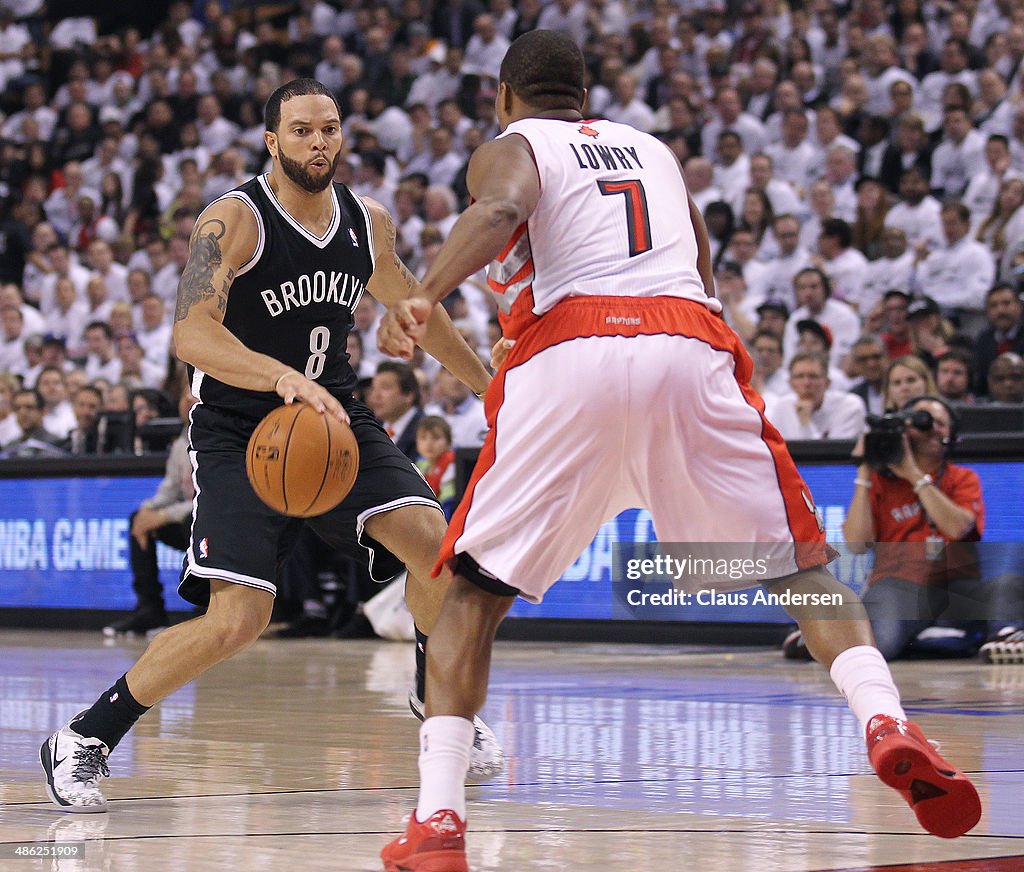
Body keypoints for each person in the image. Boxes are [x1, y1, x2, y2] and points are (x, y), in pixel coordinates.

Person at [376, 32, 981, 870]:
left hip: (571, 349)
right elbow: (696, 259)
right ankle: (886, 719)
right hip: (686, 341)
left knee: (469, 594)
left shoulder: (515, 145)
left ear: (505, 97)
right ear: (584, 96)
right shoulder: (655, 150)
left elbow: (500, 211)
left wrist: (421, 297)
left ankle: (438, 821)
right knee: (799, 567)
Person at [40, 79, 502, 816]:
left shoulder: (365, 222)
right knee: (239, 620)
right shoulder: (235, 220)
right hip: (242, 434)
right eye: (300, 130)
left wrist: (486, 385)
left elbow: (417, 306)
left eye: (328, 129)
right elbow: (191, 334)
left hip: (338, 423)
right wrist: (284, 378)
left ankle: (433, 695)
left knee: (441, 556)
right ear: (272, 140)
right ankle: (83, 737)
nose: (317, 142)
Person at [843, 397, 987, 660]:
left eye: (940, 423)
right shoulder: (880, 483)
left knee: (998, 598)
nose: (932, 429)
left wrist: (913, 475)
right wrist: (864, 473)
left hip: (954, 585)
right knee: (880, 645)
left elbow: (957, 529)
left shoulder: (963, 478)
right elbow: (856, 544)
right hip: (899, 584)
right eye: (923, 422)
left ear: (952, 435)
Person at [103, 392, 197, 636]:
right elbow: (169, 491)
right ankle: (149, 609)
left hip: (220, 525)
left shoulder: (217, 438)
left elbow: (214, 497)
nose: (187, 400)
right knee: (139, 519)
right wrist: (149, 510)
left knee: (193, 521)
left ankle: (206, 604)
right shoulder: (180, 442)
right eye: (183, 396)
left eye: (193, 394)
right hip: (189, 516)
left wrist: (164, 516)